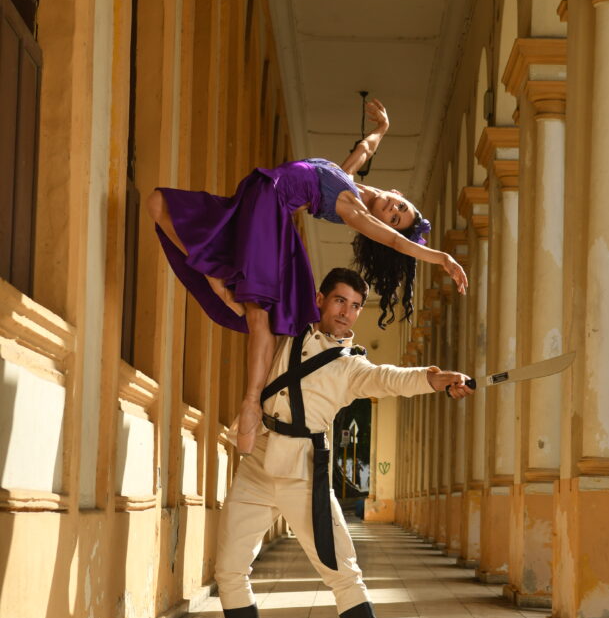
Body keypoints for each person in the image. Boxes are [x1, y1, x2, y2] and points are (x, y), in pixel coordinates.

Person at [147, 99, 468, 454]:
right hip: (255, 195)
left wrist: (441, 257)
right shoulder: (347, 178)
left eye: (396, 218)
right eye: (401, 208)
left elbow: (394, 241)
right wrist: (382, 128)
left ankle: (251, 404)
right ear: (398, 194)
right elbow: (365, 150)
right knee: (160, 205)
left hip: (269, 211)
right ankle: (217, 277)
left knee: (259, 313)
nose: (395, 212)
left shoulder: (353, 209)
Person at [210, 267, 472, 618]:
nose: (347, 313)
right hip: (258, 459)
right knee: (230, 568)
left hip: (303, 469)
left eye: (355, 306)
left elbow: (391, 378)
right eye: (340, 301)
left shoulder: (351, 367)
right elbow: (245, 309)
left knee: (342, 571)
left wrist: (434, 379)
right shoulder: (288, 329)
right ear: (320, 299)